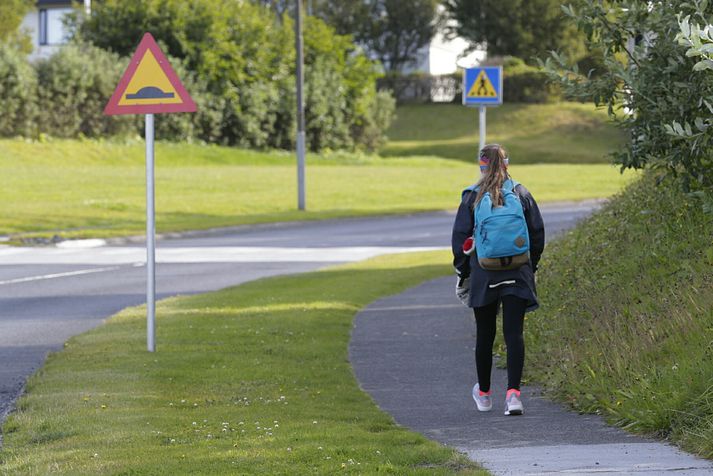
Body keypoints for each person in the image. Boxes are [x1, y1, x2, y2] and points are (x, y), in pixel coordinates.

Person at [451, 144, 545, 416]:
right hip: (517, 272)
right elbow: (537, 234)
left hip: (484, 274)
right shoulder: (520, 193)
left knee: (485, 334)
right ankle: (513, 396)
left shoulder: (472, 197)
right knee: (514, 334)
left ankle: (484, 394)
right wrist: (530, 266)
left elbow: (460, 242)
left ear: (481, 165)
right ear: (507, 164)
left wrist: (464, 271)